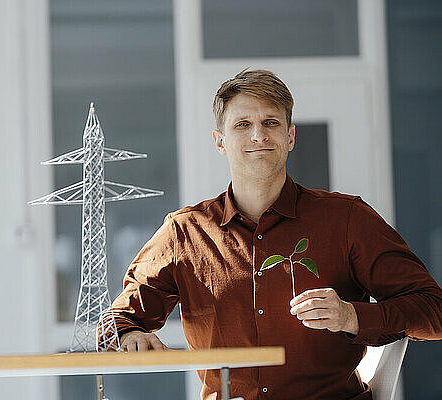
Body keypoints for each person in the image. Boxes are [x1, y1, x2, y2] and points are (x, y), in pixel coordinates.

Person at [101, 69, 442, 400]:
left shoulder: (347, 219)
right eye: (243, 125)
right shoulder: (184, 233)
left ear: (290, 136)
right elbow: (115, 324)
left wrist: (351, 316)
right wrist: (129, 334)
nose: (258, 136)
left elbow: (433, 311)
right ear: (220, 142)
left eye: (271, 123)